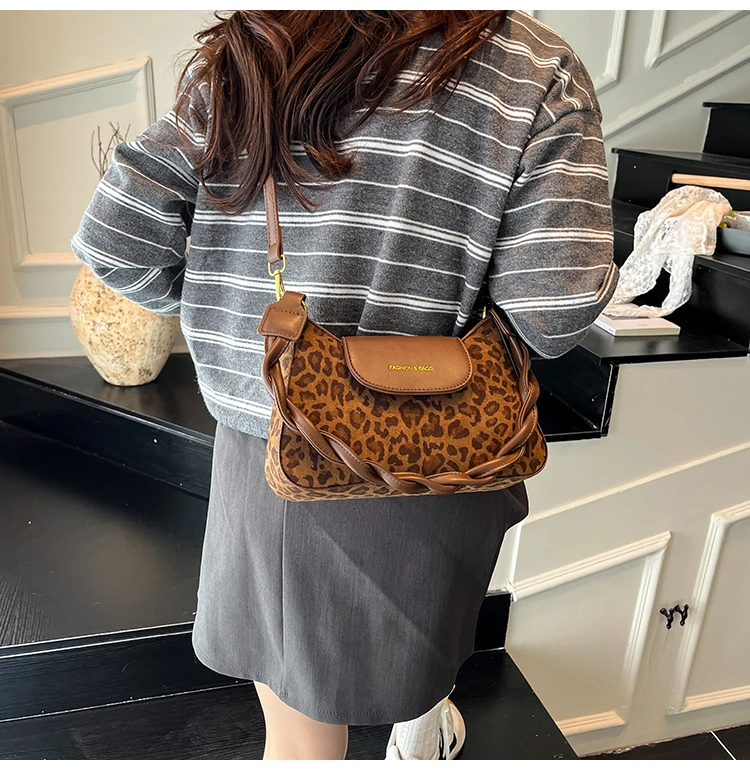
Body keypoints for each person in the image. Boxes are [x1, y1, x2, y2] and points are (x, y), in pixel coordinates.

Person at [70, 10, 618, 761]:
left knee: (303, 742)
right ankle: (420, 734)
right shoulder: (534, 66)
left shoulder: (258, 48)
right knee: (423, 657)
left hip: (282, 445)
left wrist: (223, 316)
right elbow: (551, 313)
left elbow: (118, 238)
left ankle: (417, 733)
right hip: (446, 445)